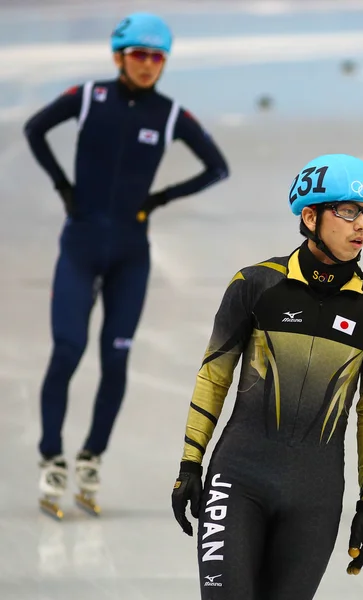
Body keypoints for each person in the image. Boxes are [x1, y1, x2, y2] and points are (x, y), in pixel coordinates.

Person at [23, 11, 229, 516]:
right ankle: (52, 456)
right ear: (120, 57)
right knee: (68, 350)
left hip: (131, 255)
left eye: (157, 57)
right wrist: (63, 186)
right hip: (81, 245)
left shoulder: (170, 114)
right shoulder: (88, 98)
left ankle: (91, 457)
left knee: (115, 359)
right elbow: (34, 129)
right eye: (139, 55)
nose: (148, 65)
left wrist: (158, 200)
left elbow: (217, 167)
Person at [171, 153, 363, 599]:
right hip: (239, 482)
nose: (362, 226)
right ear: (310, 216)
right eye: (348, 211)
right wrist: (189, 464)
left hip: (314, 498)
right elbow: (214, 376)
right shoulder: (256, 284)